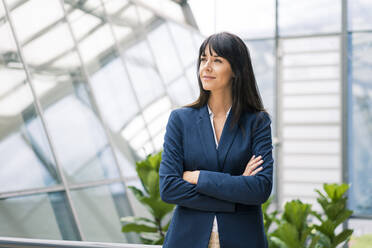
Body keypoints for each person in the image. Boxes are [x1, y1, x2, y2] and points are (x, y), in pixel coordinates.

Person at [159, 32, 274, 248]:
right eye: (203, 59)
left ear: (236, 71)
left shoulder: (257, 122)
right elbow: (169, 187)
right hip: (186, 239)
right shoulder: (180, 120)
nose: (206, 67)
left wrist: (199, 177)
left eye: (217, 60)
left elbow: (260, 188)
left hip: (243, 239)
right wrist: (238, 188)